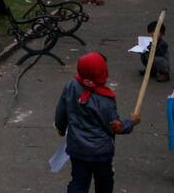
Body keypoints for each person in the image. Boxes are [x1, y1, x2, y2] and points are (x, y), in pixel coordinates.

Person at [55, 52, 140, 193]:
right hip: (101, 152)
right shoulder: (105, 100)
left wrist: (61, 127)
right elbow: (116, 127)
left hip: (77, 148)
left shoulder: (71, 86)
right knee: (104, 181)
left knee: (79, 182)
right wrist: (132, 122)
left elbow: (61, 111)